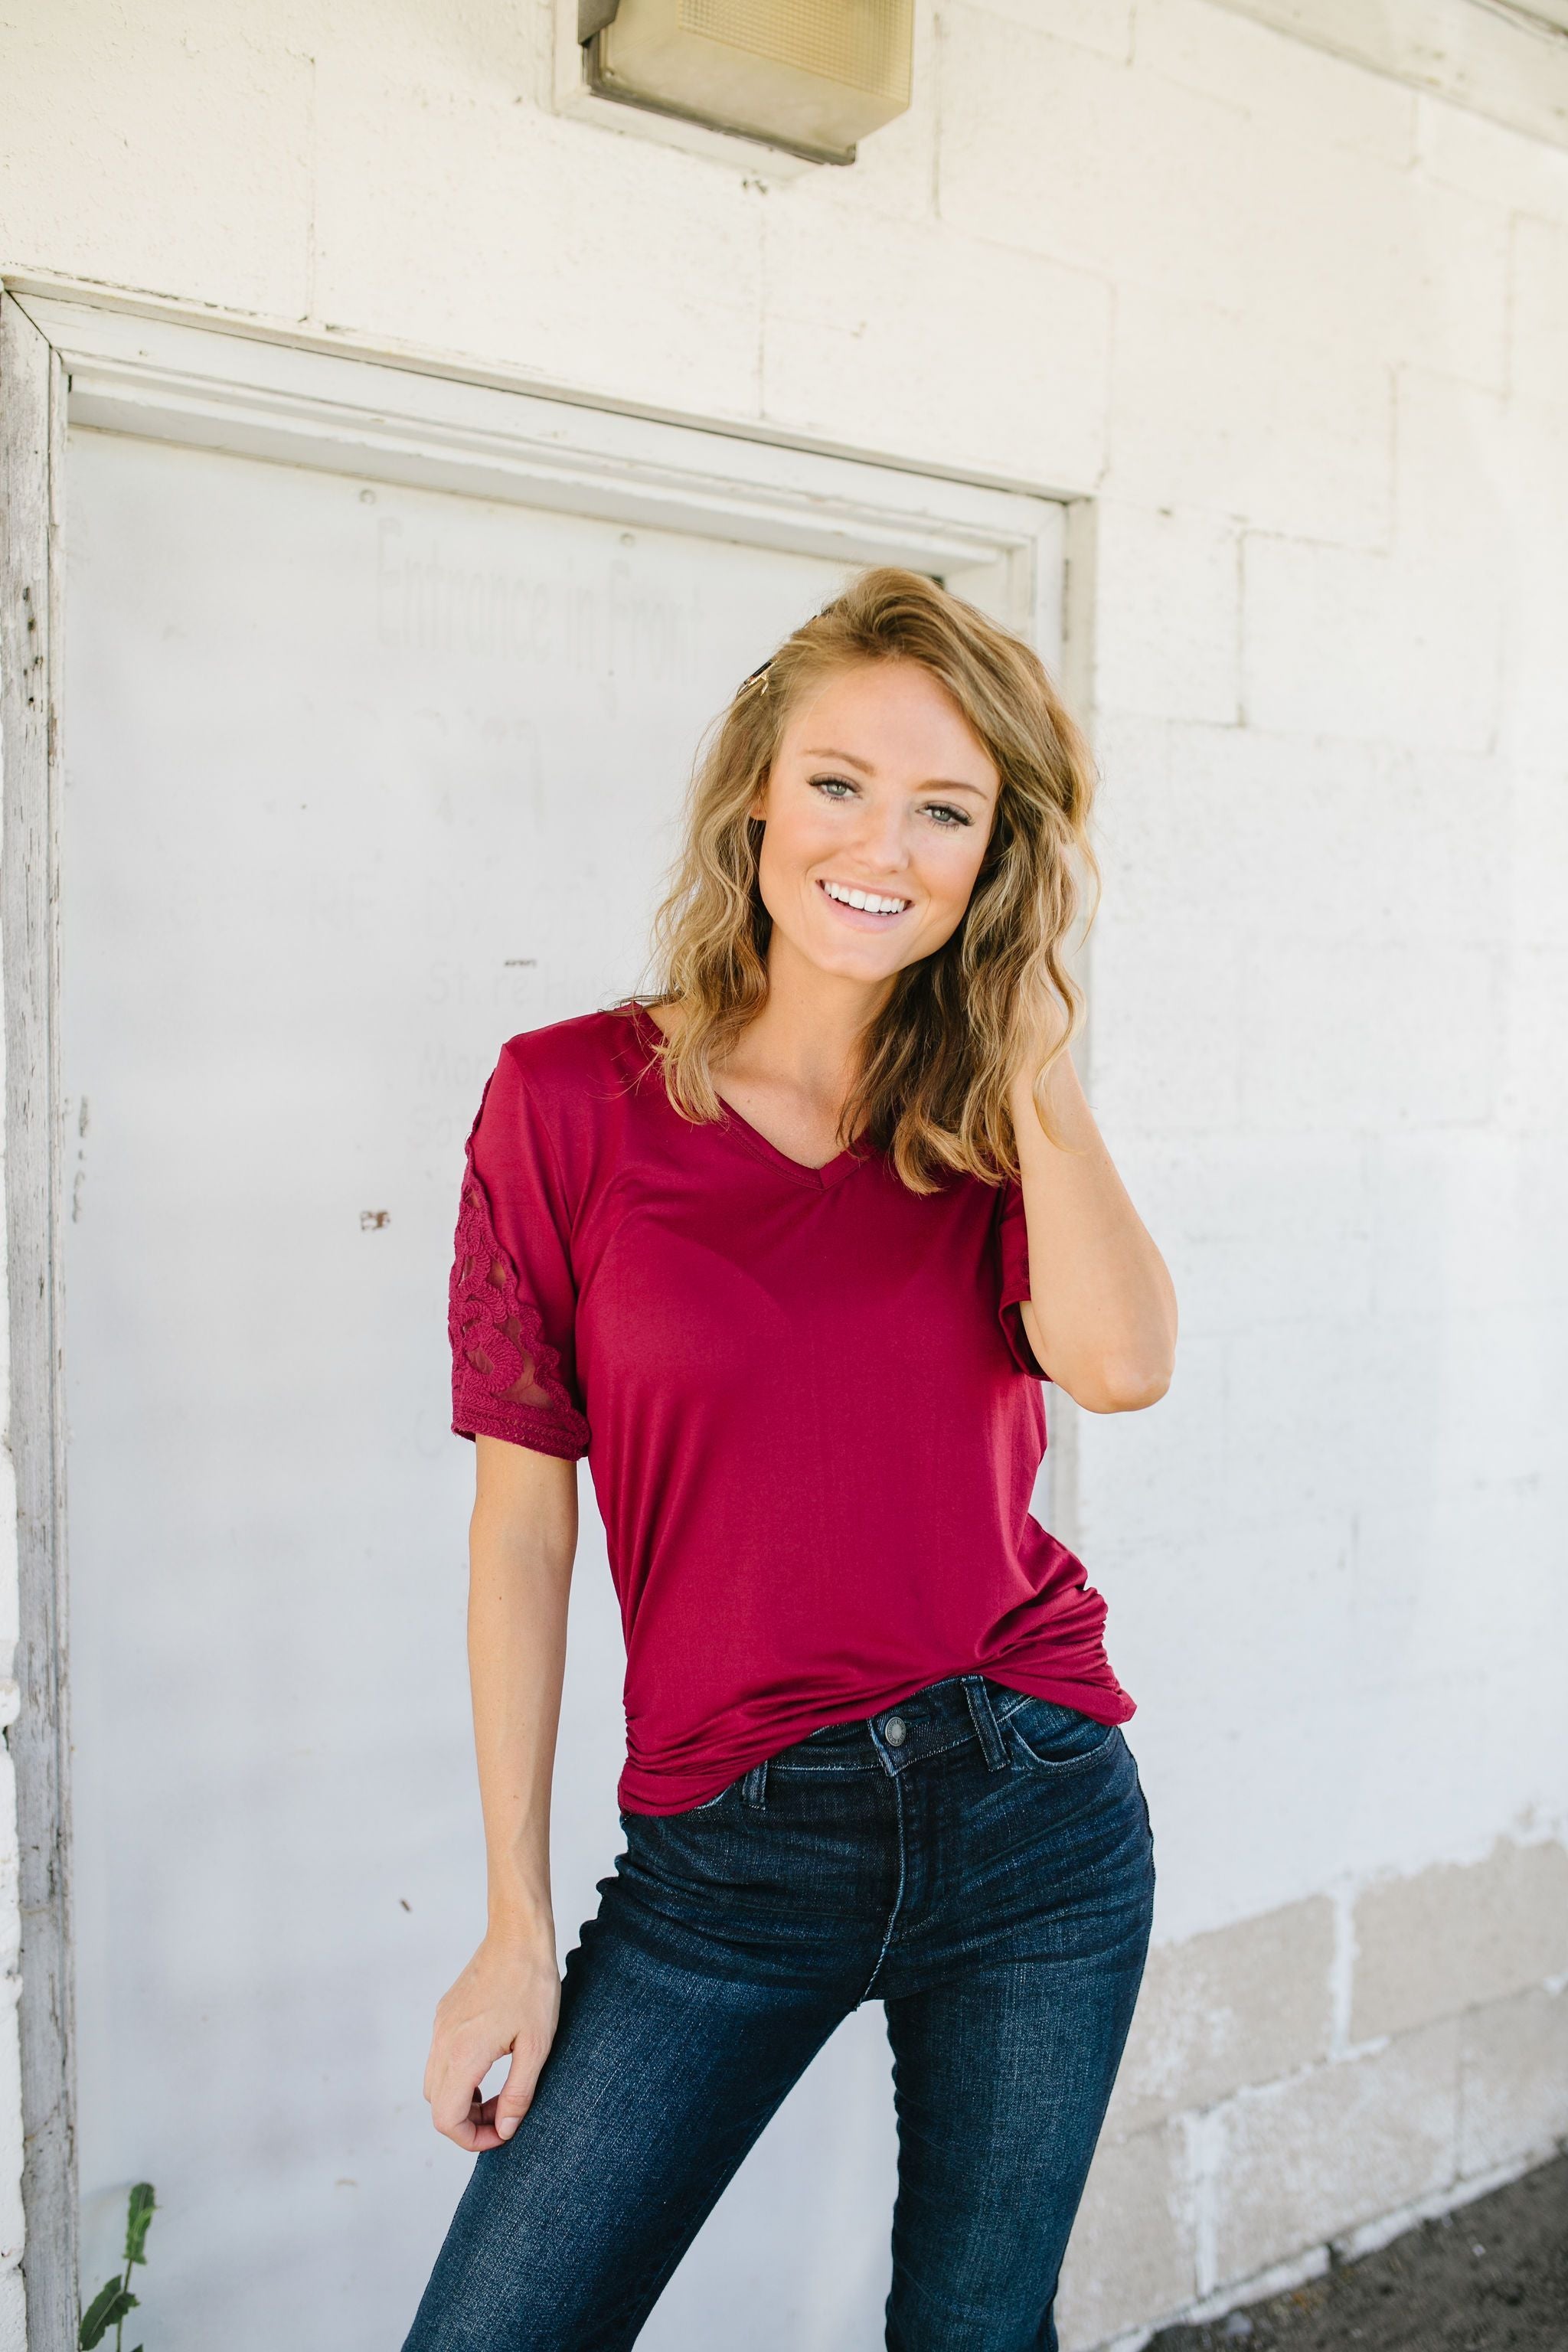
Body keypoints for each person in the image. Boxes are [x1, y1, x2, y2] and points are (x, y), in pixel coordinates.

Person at [403, 567, 1177, 2352]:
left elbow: (1121, 1367)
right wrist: (515, 1923)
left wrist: (1039, 1065)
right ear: (757, 786)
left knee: (975, 2337)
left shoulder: (993, 1118)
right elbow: (521, 1533)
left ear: (997, 856)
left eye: (945, 811)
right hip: (726, 1853)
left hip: (1034, 1807)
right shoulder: (564, 1100)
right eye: (839, 782)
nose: (880, 846)